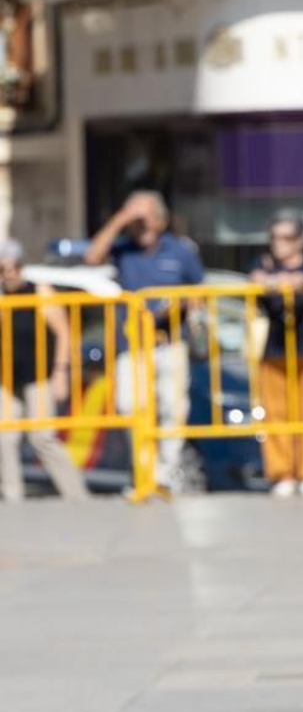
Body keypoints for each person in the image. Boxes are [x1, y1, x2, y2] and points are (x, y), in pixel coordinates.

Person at [85, 190, 205, 494]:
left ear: (161, 220)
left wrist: (179, 304)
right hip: (133, 343)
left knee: (173, 408)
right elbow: (92, 257)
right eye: (136, 219)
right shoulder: (123, 248)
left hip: (170, 341)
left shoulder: (180, 250)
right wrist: (121, 218)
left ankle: (166, 472)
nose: (142, 224)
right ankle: (144, 473)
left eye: (147, 217)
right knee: (130, 406)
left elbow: (199, 289)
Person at [0, 240, 89, 502]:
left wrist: (61, 371)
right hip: (7, 377)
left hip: (39, 375)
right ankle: (12, 496)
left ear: (22, 266)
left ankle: (77, 496)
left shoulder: (40, 291)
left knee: (42, 437)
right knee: (4, 437)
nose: (8, 275)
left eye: (13, 268)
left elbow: (63, 333)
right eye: (2, 270)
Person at [250, 211, 303, 498]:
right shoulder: (264, 263)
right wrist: (279, 281)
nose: (279, 243)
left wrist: (300, 280)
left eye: (287, 238)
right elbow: (256, 279)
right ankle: (281, 472)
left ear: (301, 240)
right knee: (276, 414)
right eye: (275, 237)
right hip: (275, 348)